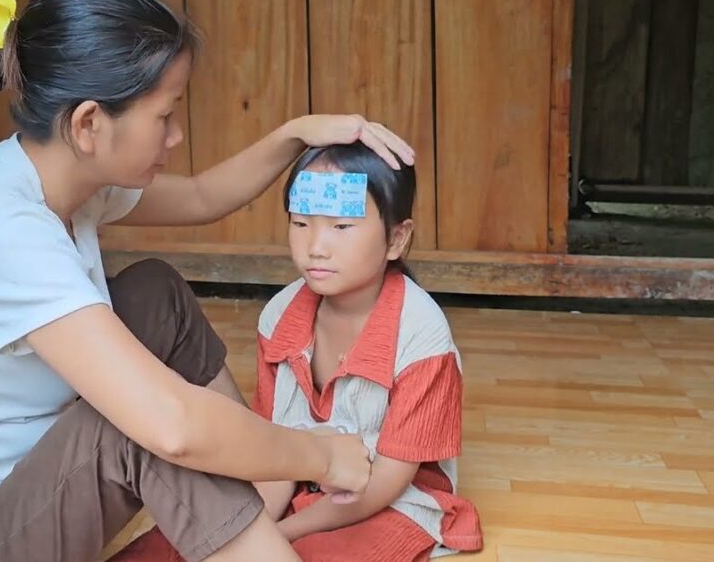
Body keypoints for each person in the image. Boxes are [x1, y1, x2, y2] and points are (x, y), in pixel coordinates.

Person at [0, 0, 417, 561]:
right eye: (165, 115)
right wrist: (318, 455)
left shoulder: (61, 181)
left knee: (154, 294)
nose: (176, 136)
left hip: (11, 499)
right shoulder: (7, 235)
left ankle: (255, 492)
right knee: (149, 429)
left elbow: (203, 196)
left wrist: (297, 134)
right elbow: (171, 429)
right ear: (89, 125)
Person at [112, 142, 484, 561]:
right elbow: (271, 442)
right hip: (292, 475)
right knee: (179, 542)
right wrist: (243, 528)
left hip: (385, 500)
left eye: (342, 227)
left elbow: (386, 482)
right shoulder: (279, 315)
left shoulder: (421, 336)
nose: (316, 247)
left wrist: (277, 533)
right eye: (302, 222)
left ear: (397, 239)